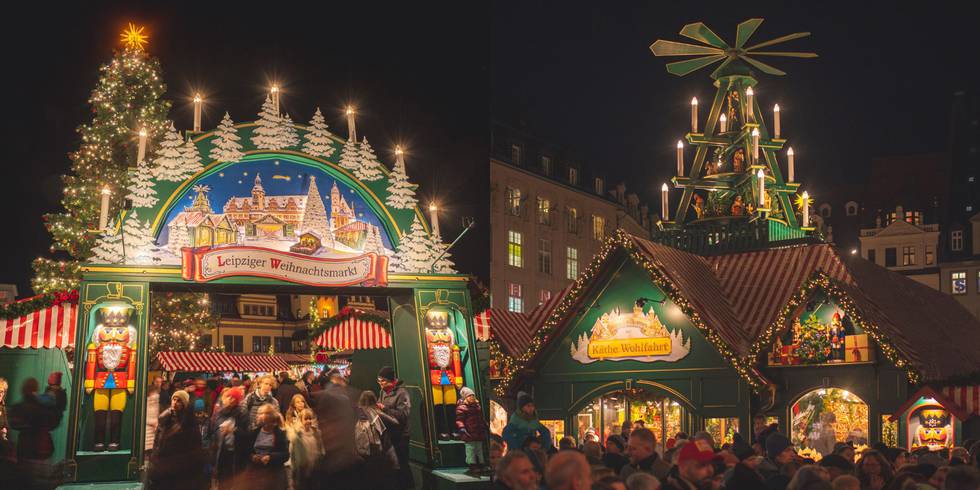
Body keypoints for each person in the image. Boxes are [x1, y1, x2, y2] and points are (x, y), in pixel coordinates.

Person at [148, 390, 207, 490]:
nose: (175, 402)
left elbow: (195, 446)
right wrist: (154, 459)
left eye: (179, 401)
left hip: (180, 469)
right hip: (163, 466)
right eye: (174, 399)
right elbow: (157, 442)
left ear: (184, 404)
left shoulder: (189, 422)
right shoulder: (164, 419)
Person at [377, 365, 413, 489]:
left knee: (402, 465)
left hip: (400, 436)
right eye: (379, 380)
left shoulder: (402, 393)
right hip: (388, 434)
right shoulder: (382, 391)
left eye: (383, 381)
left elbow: (403, 415)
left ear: (391, 381)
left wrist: (385, 409)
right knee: (392, 466)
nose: (380, 383)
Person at [208, 386, 248, 490]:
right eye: (229, 397)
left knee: (233, 479)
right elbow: (213, 431)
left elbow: (247, 433)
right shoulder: (220, 413)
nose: (230, 399)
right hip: (221, 451)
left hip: (235, 451)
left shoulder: (241, 413)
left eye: (234, 398)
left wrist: (233, 430)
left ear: (238, 400)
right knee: (221, 479)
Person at [243, 404, 288, 490]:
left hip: (274, 475)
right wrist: (252, 456)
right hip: (256, 475)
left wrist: (270, 457)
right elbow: (246, 451)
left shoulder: (280, 434)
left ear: (269, 416)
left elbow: (286, 455)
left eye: (260, 413)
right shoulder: (254, 433)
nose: (257, 416)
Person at [502, 392, 552, 457]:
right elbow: (506, 433)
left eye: (532, 406)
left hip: (532, 451)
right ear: (522, 407)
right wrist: (516, 448)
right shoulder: (516, 420)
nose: (531, 408)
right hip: (519, 453)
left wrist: (545, 448)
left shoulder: (534, 420)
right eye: (528, 406)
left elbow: (545, 432)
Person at [287, 408, 323, 490]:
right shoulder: (297, 437)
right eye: (306, 419)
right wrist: (293, 477)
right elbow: (293, 456)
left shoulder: (316, 433)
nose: (308, 421)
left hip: (314, 468)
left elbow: (320, 449)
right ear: (301, 420)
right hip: (302, 470)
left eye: (310, 419)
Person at [456, 386, 489, 475]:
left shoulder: (477, 406)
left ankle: (481, 464)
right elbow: (459, 419)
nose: (472, 397)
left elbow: (480, 417)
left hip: (478, 431)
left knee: (479, 449)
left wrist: (484, 424)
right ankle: (472, 465)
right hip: (469, 432)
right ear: (465, 397)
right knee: (471, 449)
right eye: (469, 396)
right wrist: (462, 427)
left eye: (472, 395)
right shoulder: (462, 407)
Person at [145, 376, 163, 453]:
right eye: (157, 381)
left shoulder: (156, 405)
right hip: (147, 431)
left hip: (154, 430)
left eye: (160, 382)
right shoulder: (147, 405)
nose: (159, 384)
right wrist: (155, 422)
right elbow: (145, 417)